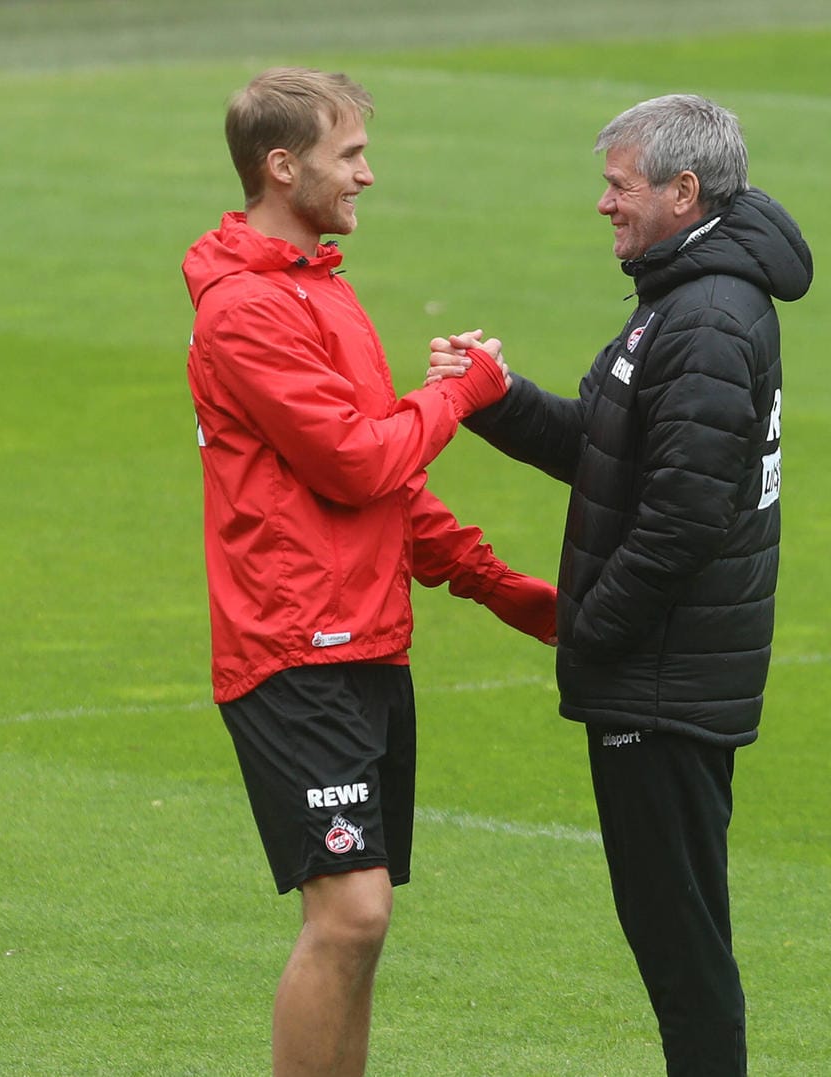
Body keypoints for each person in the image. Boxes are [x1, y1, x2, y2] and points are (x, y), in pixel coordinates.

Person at [183, 67, 558, 1077]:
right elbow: (360, 457)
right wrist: (466, 394)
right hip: (290, 645)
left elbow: (384, 481)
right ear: (282, 165)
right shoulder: (246, 313)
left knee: (365, 925)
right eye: (349, 156)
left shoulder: (323, 293)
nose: (368, 176)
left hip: (368, 640)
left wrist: (506, 590)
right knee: (350, 914)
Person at [429, 94, 812, 1075]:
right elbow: (618, 457)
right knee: (675, 939)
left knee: (681, 950)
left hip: (665, 681)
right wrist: (497, 399)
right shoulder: (688, 298)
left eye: (619, 185)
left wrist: (593, 630)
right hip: (669, 674)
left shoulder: (710, 319)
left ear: (684, 193)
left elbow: (685, 516)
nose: (604, 204)